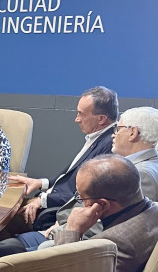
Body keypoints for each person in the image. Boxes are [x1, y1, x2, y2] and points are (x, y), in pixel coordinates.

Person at [16, 107, 158, 251]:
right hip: (65, 229)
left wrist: (65, 230)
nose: (113, 134)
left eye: (118, 129)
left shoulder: (140, 174)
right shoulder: (152, 163)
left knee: (8, 248)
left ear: (133, 133)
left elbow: (109, 223)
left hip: (73, 242)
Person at [9, 86, 117, 231]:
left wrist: (42, 200)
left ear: (101, 119)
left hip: (58, 212)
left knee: (7, 217)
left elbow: (84, 195)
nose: (76, 119)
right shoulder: (97, 138)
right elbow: (68, 178)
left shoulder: (109, 146)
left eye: (81, 114)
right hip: (51, 198)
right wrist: (40, 182)